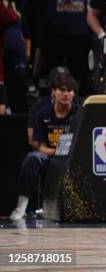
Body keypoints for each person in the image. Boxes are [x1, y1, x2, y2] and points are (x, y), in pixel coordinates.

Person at [9, 74, 78, 220]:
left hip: (73, 157)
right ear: (53, 91)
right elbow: (39, 147)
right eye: (62, 90)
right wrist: (56, 152)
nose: (66, 94)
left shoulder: (79, 114)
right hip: (50, 155)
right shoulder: (42, 114)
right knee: (32, 158)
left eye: (70, 90)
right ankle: (21, 208)